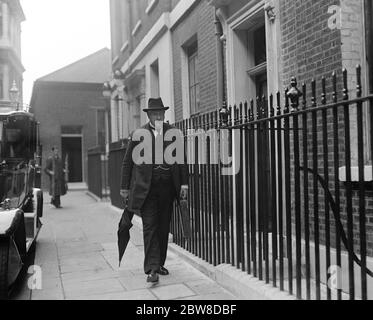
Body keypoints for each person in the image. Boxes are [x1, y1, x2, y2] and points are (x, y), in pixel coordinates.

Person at [120, 97, 188, 283]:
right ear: (148, 115)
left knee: (164, 226)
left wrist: (184, 184)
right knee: (150, 226)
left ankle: (159, 263)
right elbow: (127, 162)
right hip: (146, 189)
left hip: (167, 188)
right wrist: (124, 187)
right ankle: (151, 269)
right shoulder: (138, 134)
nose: (158, 116)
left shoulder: (174, 133)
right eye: (154, 113)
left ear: (164, 114)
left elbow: (182, 159)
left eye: (160, 113)